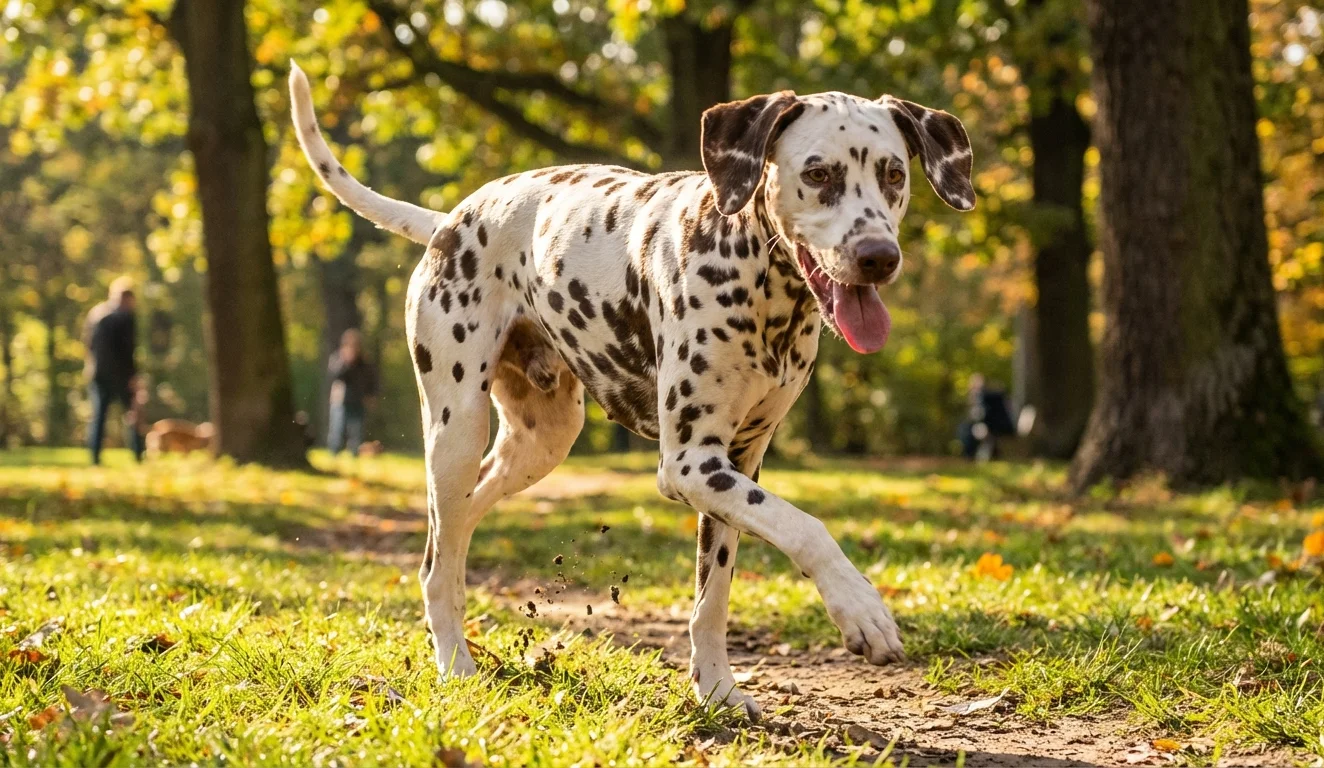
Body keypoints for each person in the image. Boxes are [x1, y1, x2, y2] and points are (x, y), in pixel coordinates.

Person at [83, 277, 144, 465]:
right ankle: (138, 453)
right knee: (132, 413)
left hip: (98, 372)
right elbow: (128, 349)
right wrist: (133, 375)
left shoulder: (95, 314)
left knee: (99, 415)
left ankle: (94, 456)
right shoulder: (125, 317)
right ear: (128, 298)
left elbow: (87, 343)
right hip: (121, 375)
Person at [327, 329, 377, 456]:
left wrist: (371, 396)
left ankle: (354, 454)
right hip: (340, 401)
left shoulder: (364, 362)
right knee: (337, 430)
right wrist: (346, 362)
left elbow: (370, 380)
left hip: (358, 401)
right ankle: (334, 454)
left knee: (356, 432)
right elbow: (335, 376)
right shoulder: (338, 358)